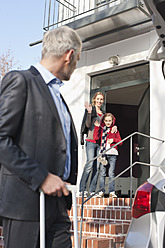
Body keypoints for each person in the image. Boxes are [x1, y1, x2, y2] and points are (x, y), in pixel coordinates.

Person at [0, 26, 82, 248]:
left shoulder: (58, 95)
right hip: (26, 205)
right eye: (78, 59)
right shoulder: (21, 81)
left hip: (57, 203)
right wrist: (42, 178)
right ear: (69, 55)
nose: (76, 66)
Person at [79, 92, 105, 197]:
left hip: (100, 143)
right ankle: (82, 189)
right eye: (98, 99)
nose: (99, 101)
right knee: (89, 165)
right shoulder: (91, 110)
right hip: (90, 141)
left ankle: (93, 190)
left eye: (101, 99)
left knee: (97, 167)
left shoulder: (103, 113)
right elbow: (87, 125)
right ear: (94, 100)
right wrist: (89, 113)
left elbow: (105, 127)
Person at [93, 113, 122, 198]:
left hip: (113, 153)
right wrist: (97, 127)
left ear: (112, 121)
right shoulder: (102, 129)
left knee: (111, 173)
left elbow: (120, 142)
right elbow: (96, 138)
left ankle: (111, 192)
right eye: (106, 121)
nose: (108, 122)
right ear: (103, 121)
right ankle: (101, 191)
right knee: (102, 173)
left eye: (109, 120)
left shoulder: (115, 130)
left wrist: (113, 139)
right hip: (103, 153)